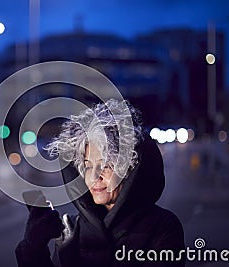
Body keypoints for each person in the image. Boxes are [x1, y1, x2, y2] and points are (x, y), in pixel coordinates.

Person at [16, 99, 185, 267]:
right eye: (88, 166)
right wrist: (33, 249)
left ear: (131, 169)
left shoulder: (162, 227)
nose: (94, 176)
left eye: (106, 165)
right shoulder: (72, 231)